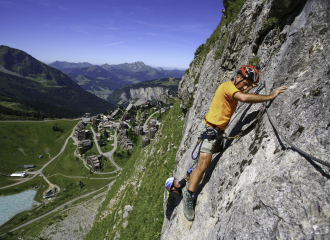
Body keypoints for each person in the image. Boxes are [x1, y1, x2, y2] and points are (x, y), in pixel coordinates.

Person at [183, 65, 287, 221]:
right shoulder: (227, 87)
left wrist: (253, 91)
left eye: (249, 85)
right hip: (209, 131)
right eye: (245, 83)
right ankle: (189, 196)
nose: (246, 87)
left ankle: (192, 171)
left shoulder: (234, 89)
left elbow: (243, 96)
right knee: (204, 165)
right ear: (238, 77)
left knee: (207, 159)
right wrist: (270, 96)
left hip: (217, 132)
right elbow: (244, 98)